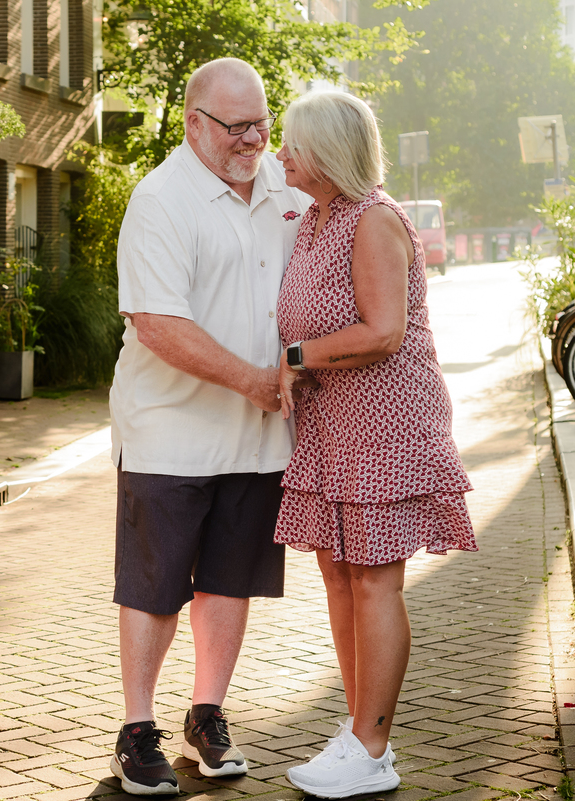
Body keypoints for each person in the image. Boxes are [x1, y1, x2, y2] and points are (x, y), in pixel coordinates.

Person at [107, 57, 312, 796]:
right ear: (195, 124)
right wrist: (254, 379)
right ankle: (136, 729)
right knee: (156, 585)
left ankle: (207, 715)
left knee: (231, 579)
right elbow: (158, 323)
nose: (254, 138)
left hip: (259, 435)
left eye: (261, 121)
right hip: (170, 431)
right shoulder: (160, 200)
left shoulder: (283, 189)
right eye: (236, 126)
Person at [273, 90, 476, 799]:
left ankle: (371, 742)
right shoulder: (314, 219)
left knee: (372, 578)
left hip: (385, 419)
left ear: (327, 153)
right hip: (332, 423)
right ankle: (360, 732)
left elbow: (383, 331)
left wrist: (296, 358)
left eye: (293, 144)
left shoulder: (374, 221)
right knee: (336, 575)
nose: (279, 152)